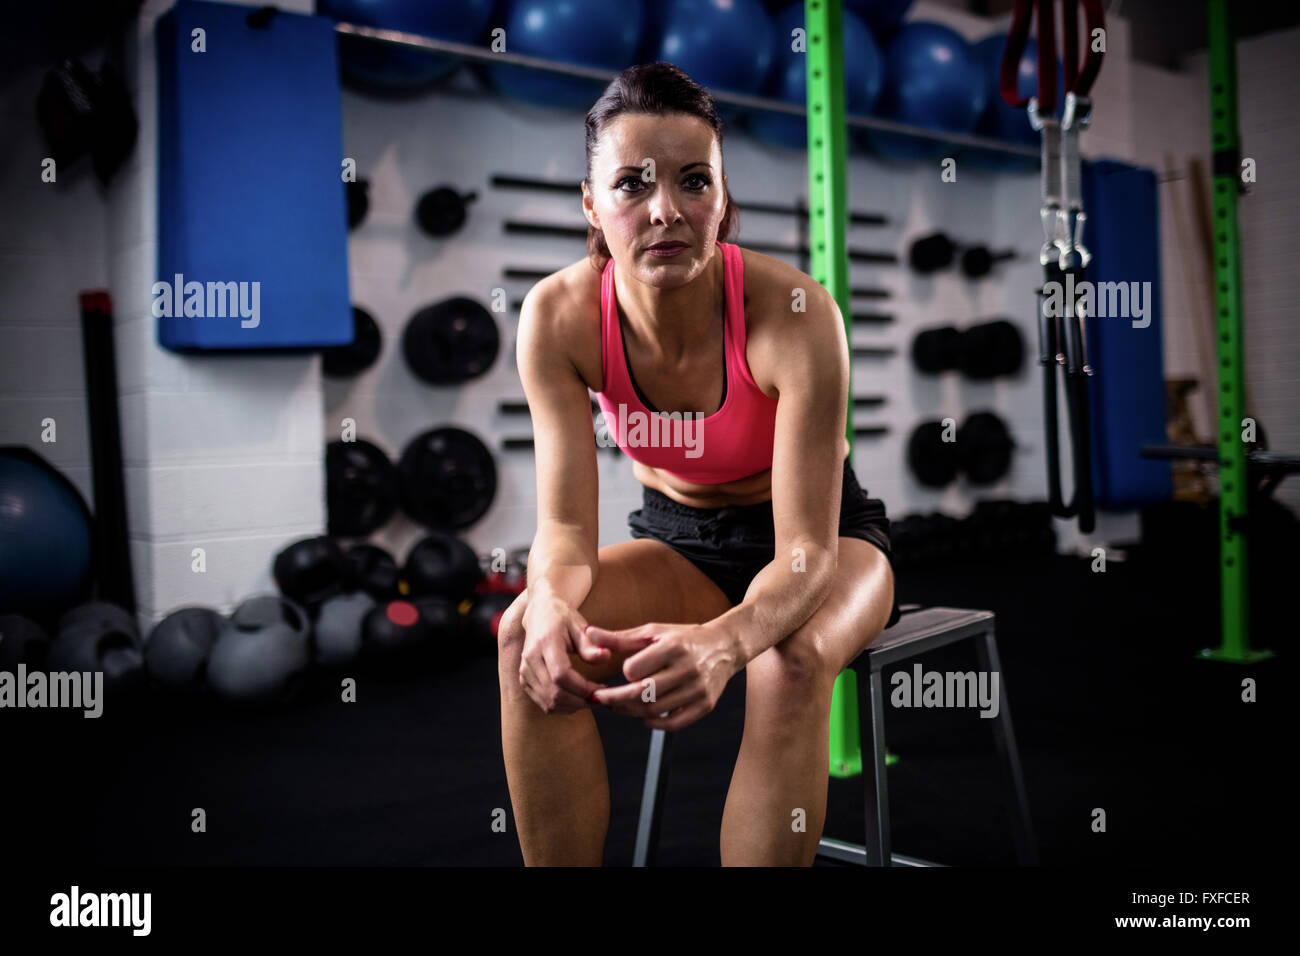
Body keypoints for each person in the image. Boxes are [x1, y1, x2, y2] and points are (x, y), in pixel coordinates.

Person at [498, 62, 899, 866]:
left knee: (789, 659)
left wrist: (726, 642)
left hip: (823, 542)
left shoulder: (796, 315)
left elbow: (806, 556)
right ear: (590, 203)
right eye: (632, 185)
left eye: (693, 182)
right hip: (680, 541)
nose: (665, 211)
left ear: (722, 196)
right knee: (525, 638)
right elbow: (568, 530)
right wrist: (547, 602)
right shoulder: (559, 316)